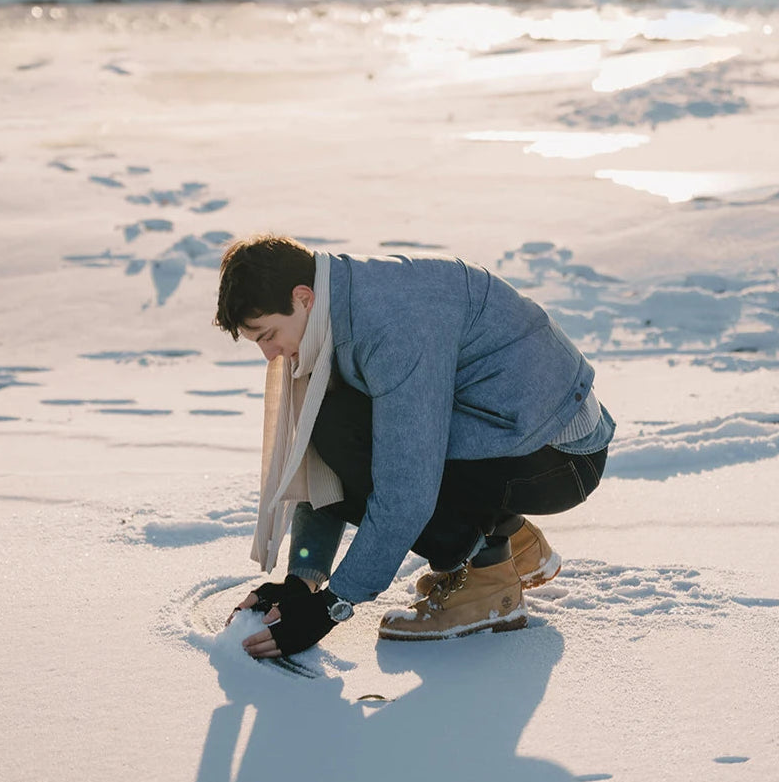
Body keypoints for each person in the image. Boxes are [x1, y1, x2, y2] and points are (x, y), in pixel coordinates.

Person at [214, 235, 615, 659]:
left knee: (361, 439)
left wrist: (329, 607)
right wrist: (302, 581)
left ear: (303, 297)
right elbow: (324, 465)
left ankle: (488, 580)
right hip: (521, 434)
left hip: (560, 457)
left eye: (268, 334)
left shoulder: (390, 324)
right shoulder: (343, 300)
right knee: (342, 424)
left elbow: (405, 491)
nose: (269, 354)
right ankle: (514, 541)